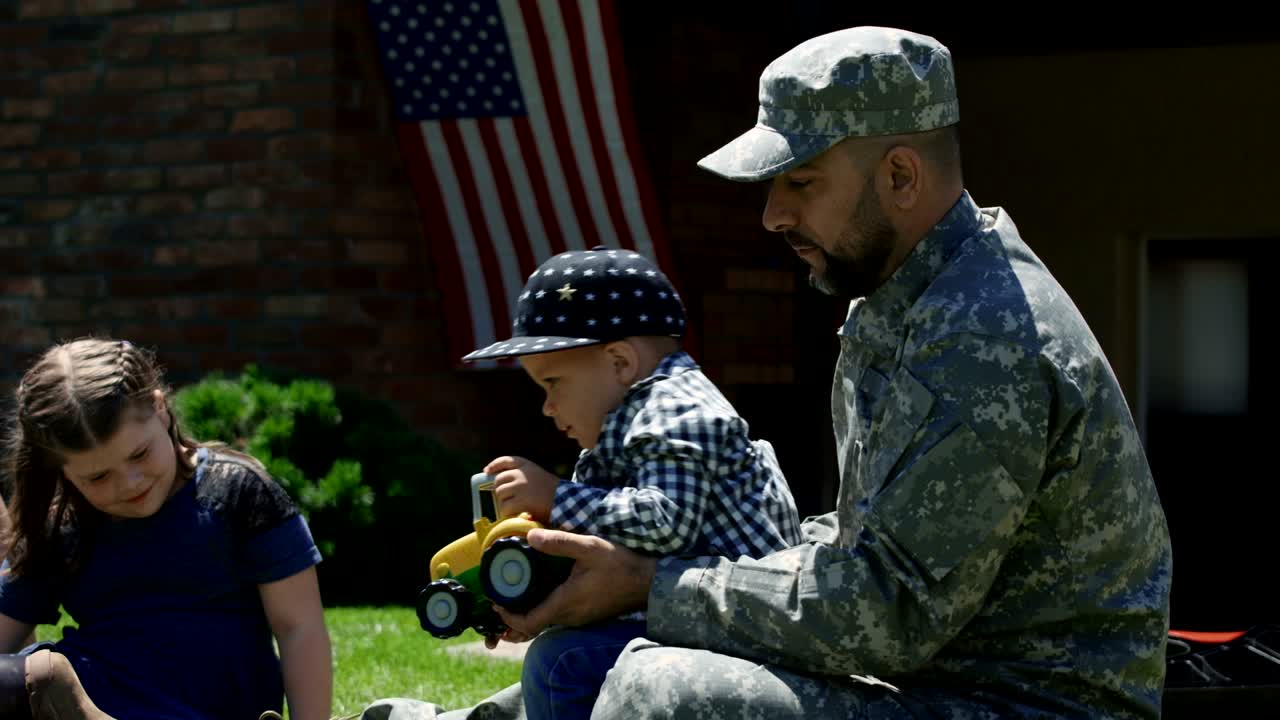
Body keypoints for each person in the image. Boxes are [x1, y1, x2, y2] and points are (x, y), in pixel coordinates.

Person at [358, 25, 1172, 720]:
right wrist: (631, 579)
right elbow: (861, 550)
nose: (773, 215)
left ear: (900, 176)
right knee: (615, 650)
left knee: (661, 689)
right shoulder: (906, 302)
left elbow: (888, 614)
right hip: (935, 679)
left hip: (1021, 704)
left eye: (801, 181)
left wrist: (650, 582)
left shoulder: (981, 335)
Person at [459, 246, 802, 720]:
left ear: (620, 362)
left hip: (746, 634)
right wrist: (531, 597)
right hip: (689, 619)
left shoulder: (677, 408)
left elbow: (665, 522)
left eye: (553, 383)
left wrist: (556, 496)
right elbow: (605, 548)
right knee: (564, 651)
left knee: (563, 664)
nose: (547, 407)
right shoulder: (624, 426)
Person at [0, 338, 333, 720]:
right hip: (90, 693)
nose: (129, 483)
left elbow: (298, 627)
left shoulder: (236, 492)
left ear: (160, 409)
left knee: (45, 678)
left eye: (139, 454)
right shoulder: (63, 526)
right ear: (61, 471)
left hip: (211, 705)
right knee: (25, 680)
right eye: (98, 476)